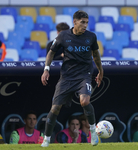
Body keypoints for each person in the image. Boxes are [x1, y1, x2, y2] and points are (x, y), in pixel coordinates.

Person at [41, 10, 103, 147]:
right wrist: (46, 69)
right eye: (82, 22)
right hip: (67, 77)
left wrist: (100, 70)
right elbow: (51, 52)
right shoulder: (63, 36)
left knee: (85, 101)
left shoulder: (91, 37)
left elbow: (96, 55)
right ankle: (46, 139)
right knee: (55, 108)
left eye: (87, 23)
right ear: (74, 22)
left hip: (84, 75)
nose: (85, 25)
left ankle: (93, 133)